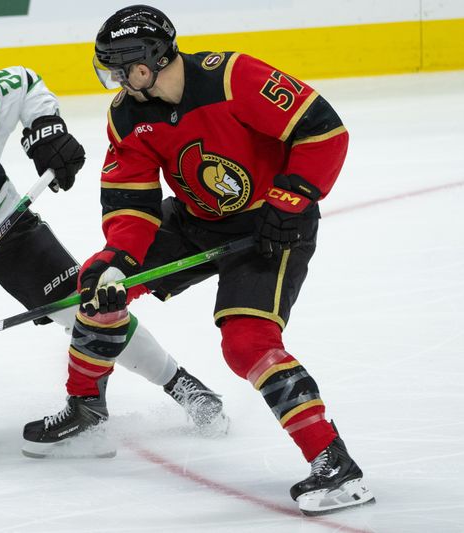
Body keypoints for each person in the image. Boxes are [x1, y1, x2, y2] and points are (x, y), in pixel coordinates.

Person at [23, 5, 374, 516]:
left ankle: (334, 463)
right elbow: (130, 204)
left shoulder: (235, 78)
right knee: (96, 290)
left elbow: (322, 130)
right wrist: (118, 257)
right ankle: (87, 409)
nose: (118, 81)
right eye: (110, 70)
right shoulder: (126, 115)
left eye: (128, 69)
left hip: (271, 228)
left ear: (158, 57)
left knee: (247, 342)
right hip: (194, 220)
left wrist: (294, 198)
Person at [0, 49, 228, 467]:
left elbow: (27, 84)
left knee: (88, 307)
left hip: (4, 223)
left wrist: (45, 128)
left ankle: (181, 384)